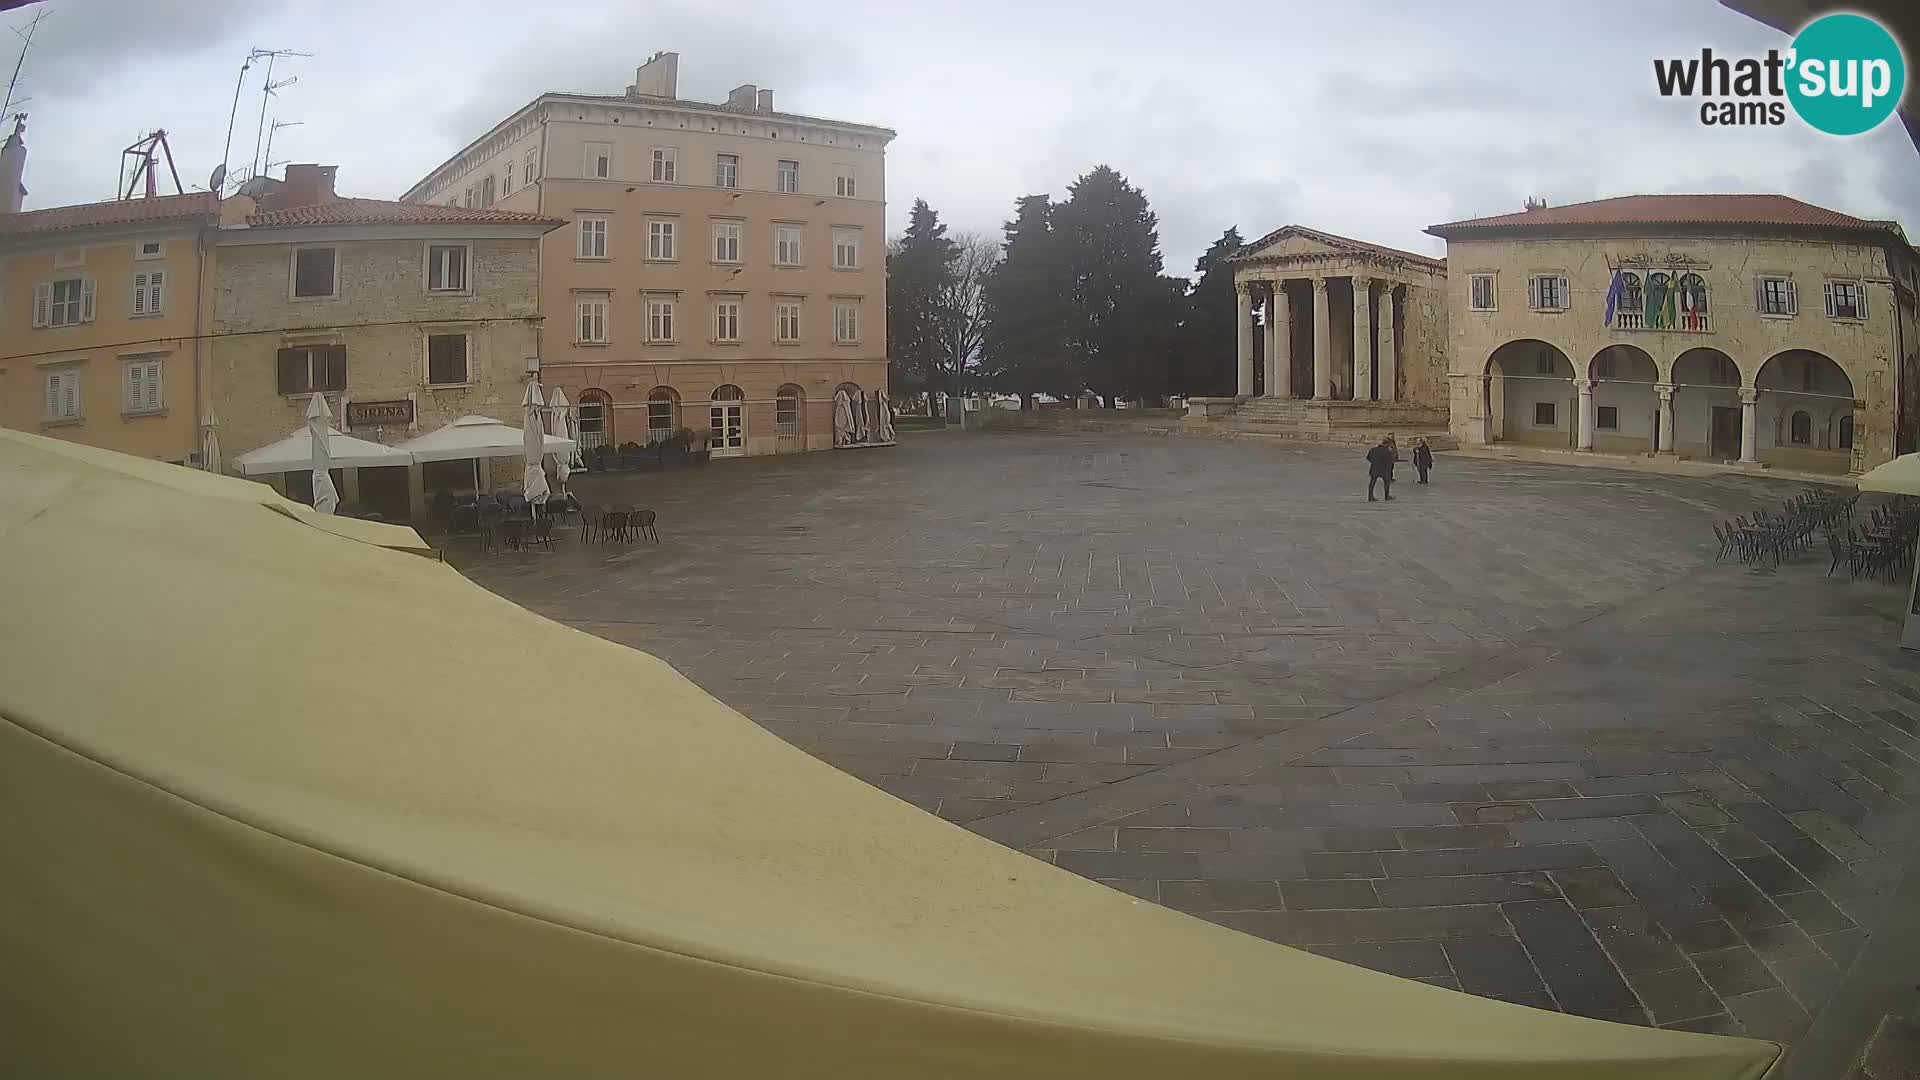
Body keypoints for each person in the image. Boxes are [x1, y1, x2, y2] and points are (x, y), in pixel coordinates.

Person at [1366, 437, 1396, 502]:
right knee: (1386, 482)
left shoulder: (1373, 449)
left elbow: (1368, 457)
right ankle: (1387, 496)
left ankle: (1370, 496)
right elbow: (1391, 460)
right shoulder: (1388, 451)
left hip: (1374, 468)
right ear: (1387, 444)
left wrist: (1374, 462)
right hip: (1384, 469)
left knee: (1372, 482)